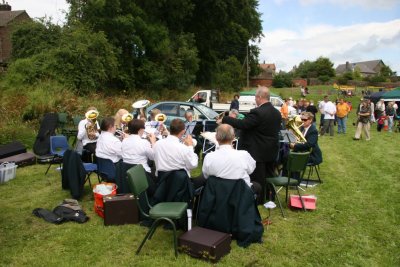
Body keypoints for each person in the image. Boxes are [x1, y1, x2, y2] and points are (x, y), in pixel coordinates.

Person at [220, 86, 281, 204]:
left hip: (258, 150)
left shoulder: (258, 112)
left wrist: (226, 119)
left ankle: (259, 199)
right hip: (271, 149)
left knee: (258, 177)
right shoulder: (276, 112)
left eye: (255, 98)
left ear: (259, 97)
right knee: (269, 174)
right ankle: (270, 196)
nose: (255, 100)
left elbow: (243, 124)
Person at [202, 124, 261, 198]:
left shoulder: (209, 157)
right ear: (233, 137)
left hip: (217, 194)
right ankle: (249, 208)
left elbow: (206, 175)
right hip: (240, 194)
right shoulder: (243, 155)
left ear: (216, 138)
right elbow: (251, 170)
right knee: (257, 186)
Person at [153, 118, 204, 188]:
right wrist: (190, 147)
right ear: (183, 131)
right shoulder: (184, 148)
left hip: (161, 183)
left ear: (169, 129)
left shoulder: (157, 144)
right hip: (181, 185)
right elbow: (193, 164)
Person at [122, 119, 157, 184]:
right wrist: (153, 142)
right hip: (142, 174)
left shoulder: (124, 141)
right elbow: (153, 157)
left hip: (126, 173)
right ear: (140, 129)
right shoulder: (144, 142)